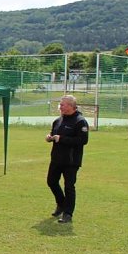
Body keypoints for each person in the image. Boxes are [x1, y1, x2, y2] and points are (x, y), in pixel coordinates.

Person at [46, 95, 89, 223]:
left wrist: (62, 139)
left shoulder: (80, 121)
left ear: (71, 106)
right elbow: (54, 135)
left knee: (69, 186)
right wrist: (50, 137)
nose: (60, 107)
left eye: (63, 104)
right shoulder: (58, 120)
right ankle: (61, 204)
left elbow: (83, 140)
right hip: (56, 159)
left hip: (71, 161)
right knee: (51, 182)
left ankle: (68, 214)